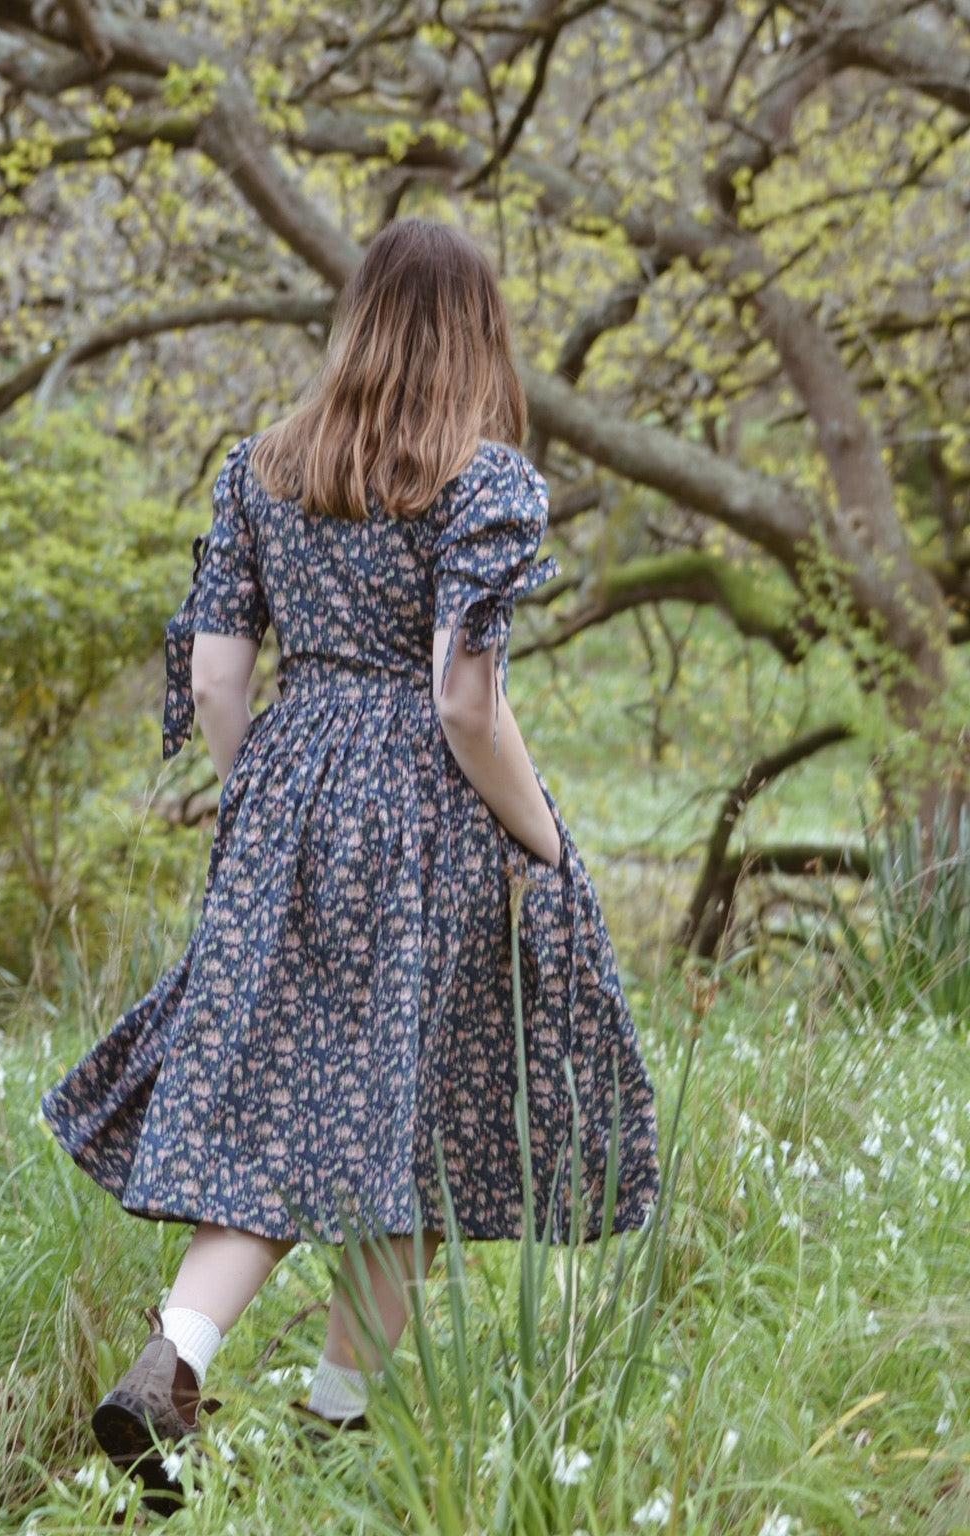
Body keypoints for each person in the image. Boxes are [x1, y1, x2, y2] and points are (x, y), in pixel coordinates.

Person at [40, 217, 659, 1512]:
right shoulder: (482, 481)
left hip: (287, 791)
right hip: (430, 820)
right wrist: (545, 839)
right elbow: (465, 704)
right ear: (477, 331)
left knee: (285, 1105)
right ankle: (335, 1418)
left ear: (358, 318)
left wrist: (265, 798)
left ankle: (177, 1358)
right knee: (414, 1118)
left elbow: (218, 677)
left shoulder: (261, 469)